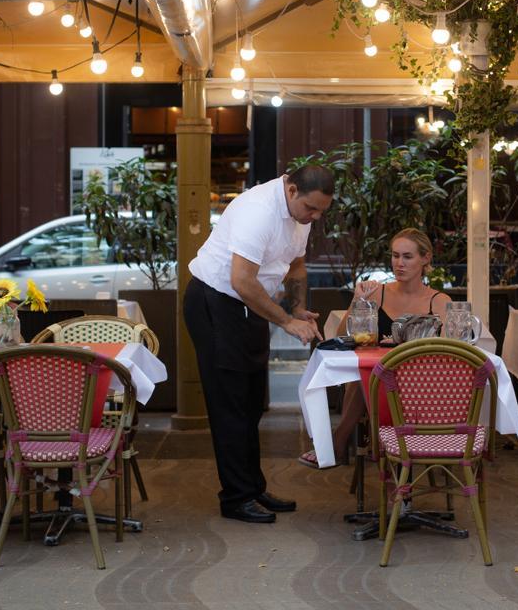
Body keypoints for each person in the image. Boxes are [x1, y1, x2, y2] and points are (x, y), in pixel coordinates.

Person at [183, 164, 334, 523]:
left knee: (251, 403)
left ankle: (252, 486)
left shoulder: (302, 213)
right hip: (216, 302)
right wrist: (287, 322)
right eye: (311, 208)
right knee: (231, 404)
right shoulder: (259, 211)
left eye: (321, 211)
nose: (314, 216)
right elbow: (241, 280)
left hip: (248, 304)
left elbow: (296, 265)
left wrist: (296, 306)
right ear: (292, 190)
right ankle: (235, 498)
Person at [297, 228, 450, 469]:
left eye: (407, 257)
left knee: (368, 378)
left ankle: (339, 444)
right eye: (395, 255)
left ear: (426, 258)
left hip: (421, 384)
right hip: (377, 379)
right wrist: (357, 301)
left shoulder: (439, 301)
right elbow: (340, 337)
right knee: (367, 376)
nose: (399, 263)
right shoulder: (377, 293)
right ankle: (374, 459)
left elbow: (447, 350)